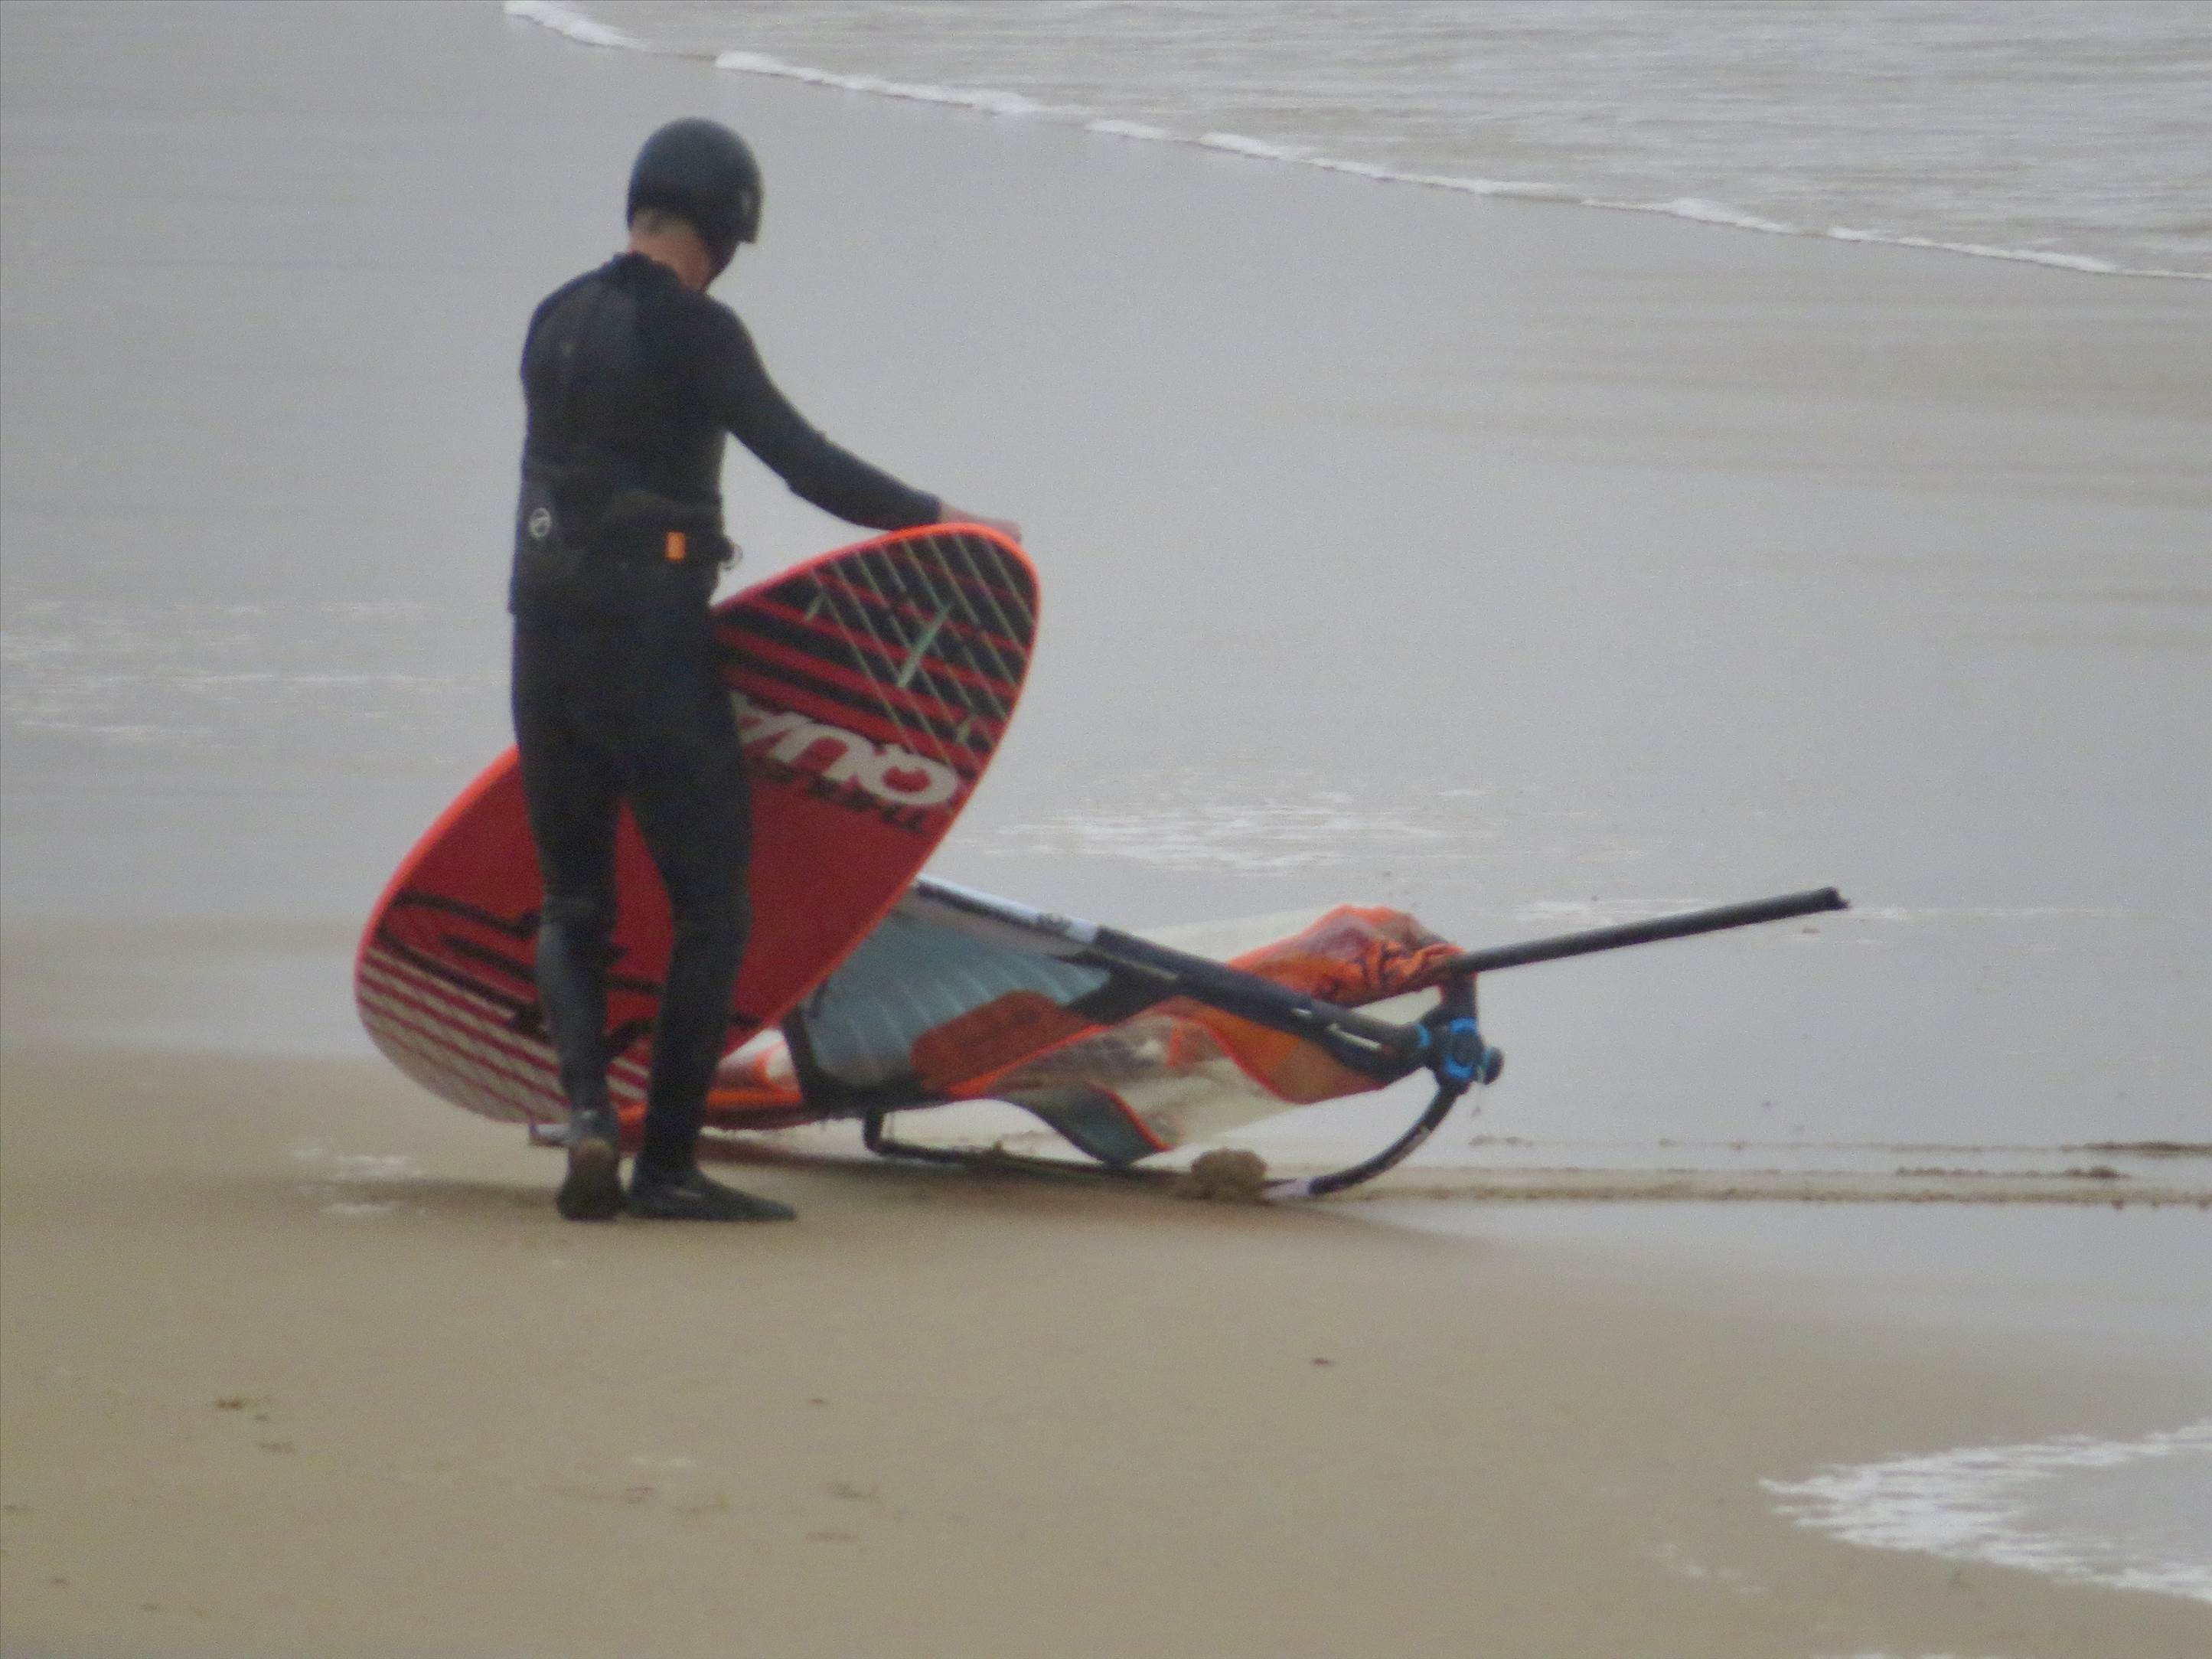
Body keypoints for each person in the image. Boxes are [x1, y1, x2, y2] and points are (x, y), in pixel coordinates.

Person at [510, 117, 1017, 1223]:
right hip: (649, 642)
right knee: (714, 909)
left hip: (541, 637)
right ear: (729, 225)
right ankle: (667, 1167)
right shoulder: (695, 328)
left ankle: (590, 1117)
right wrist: (946, 520)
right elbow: (804, 462)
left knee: (574, 902)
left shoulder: (554, 319)